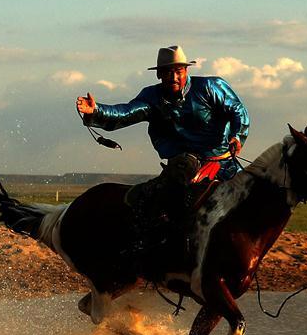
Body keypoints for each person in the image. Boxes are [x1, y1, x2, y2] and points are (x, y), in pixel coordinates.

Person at [75, 45, 250, 272]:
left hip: (224, 162)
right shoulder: (152, 97)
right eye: (168, 72)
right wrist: (96, 111)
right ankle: (163, 252)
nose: (174, 76)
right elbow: (126, 113)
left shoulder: (210, 87)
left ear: (186, 71)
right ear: (159, 74)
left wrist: (237, 136)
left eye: (178, 71)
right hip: (184, 164)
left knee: (252, 201)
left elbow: (238, 110)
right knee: (170, 204)